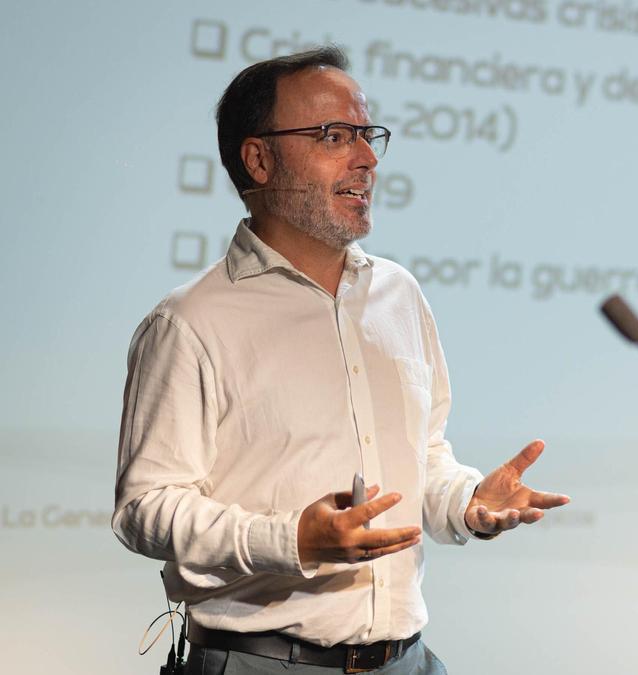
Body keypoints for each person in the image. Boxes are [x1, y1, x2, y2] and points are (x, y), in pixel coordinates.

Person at [112, 46, 570, 674]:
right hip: (262, 662)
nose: (367, 157)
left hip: (406, 659)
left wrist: (468, 501)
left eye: (366, 133)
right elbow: (146, 510)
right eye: (333, 135)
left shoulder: (399, 295)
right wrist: (290, 540)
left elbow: (422, 457)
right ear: (259, 159)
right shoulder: (191, 322)